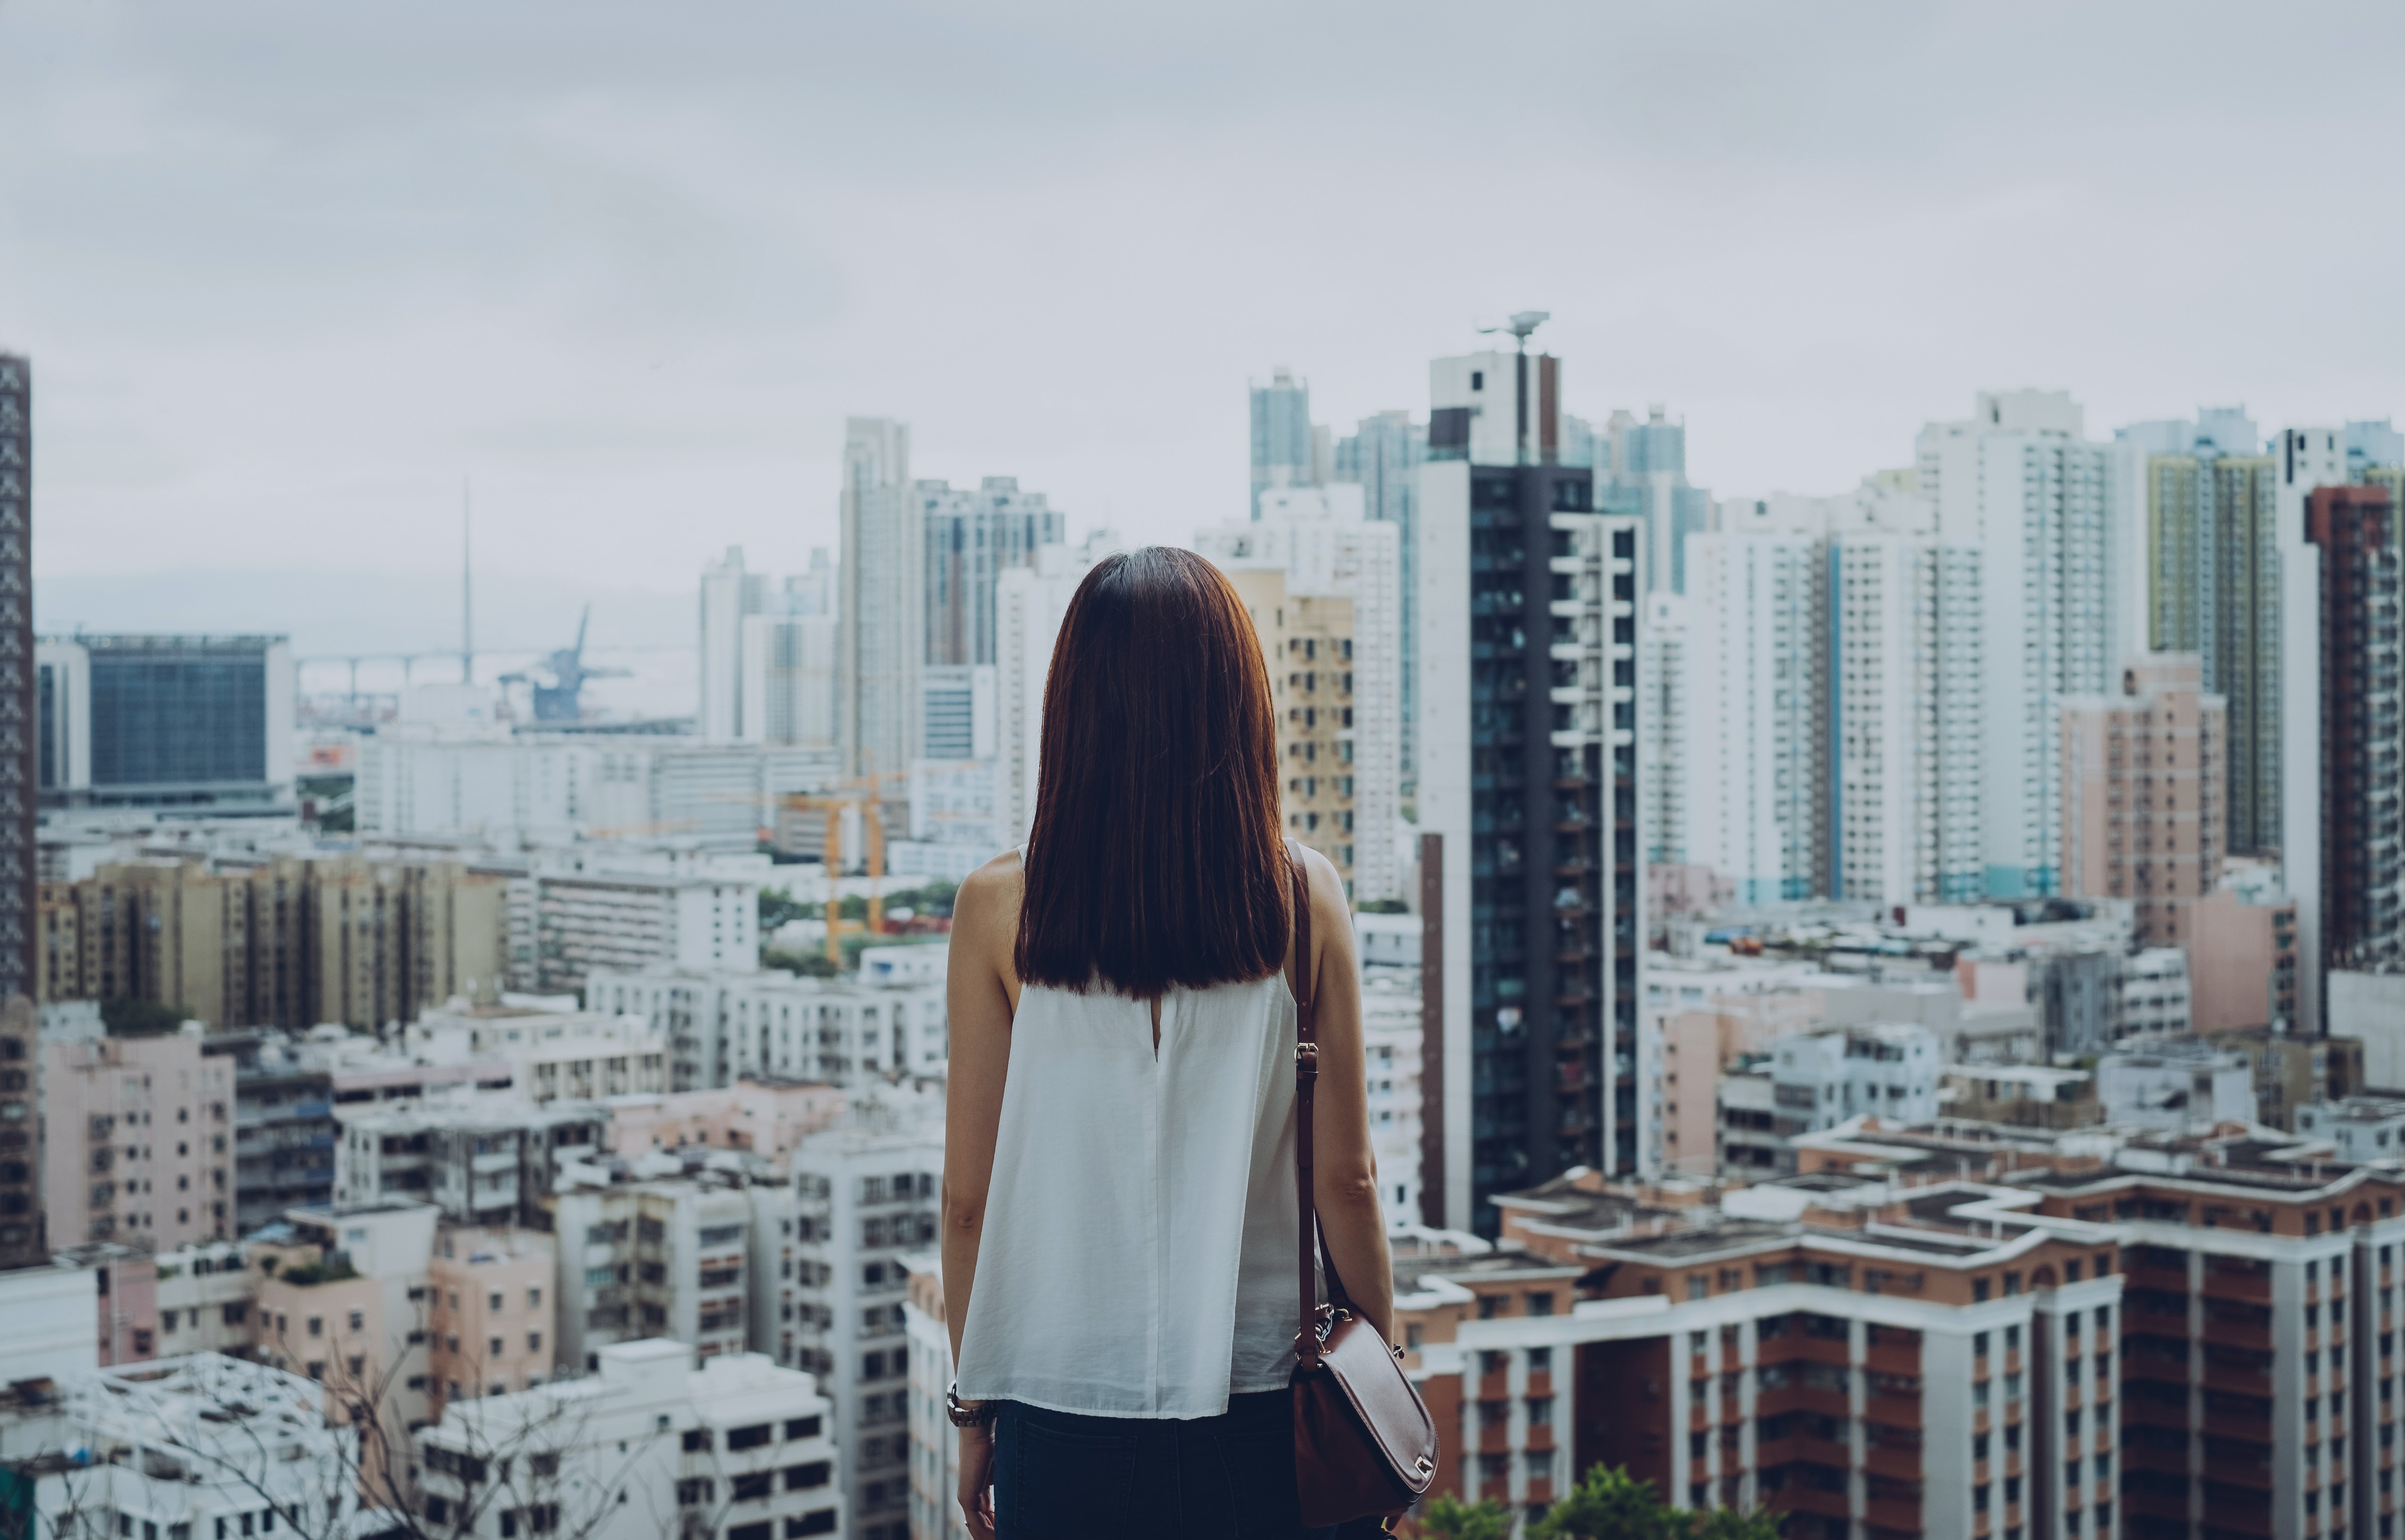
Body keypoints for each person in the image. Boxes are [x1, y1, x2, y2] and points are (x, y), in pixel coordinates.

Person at [941, 546, 1395, 1539]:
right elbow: (1348, 1181)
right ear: (1237, 703)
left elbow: (969, 1204)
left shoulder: (996, 909)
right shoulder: (1301, 895)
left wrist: (974, 1407)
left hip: (1058, 1411)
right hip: (1269, 1405)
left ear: (1074, 707)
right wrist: (1381, 1381)